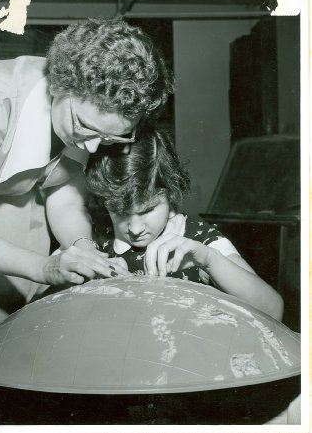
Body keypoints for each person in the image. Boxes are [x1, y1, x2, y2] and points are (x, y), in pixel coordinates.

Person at [0, 17, 175, 329]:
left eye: (112, 138)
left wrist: (81, 245)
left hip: (20, 216)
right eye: (85, 127)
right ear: (59, 86)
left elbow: (65, 199)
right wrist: (44, 267)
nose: (95, 148)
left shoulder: (86, 113)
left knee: (11, 338)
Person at [84, 127, 284, 320]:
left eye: (148, 210)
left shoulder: (199, 239)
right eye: (120, 212)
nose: (135, 229)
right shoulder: (92, 237)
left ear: (171, 196)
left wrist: (208, 260)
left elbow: (273, 310)